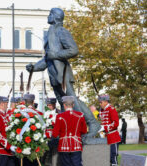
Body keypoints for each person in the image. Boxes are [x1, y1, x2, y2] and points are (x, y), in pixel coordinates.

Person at [26, 8, 100, 140]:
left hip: (63, 73)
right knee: (63, 101)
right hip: (54, 74)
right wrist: (34, 68)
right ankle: (69, 128)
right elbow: (48, 59)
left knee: (72, 100)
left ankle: (91, 123)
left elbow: (73, 50)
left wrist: (57, 54)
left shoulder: (61, 31)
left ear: (55, 17)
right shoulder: (50, 33)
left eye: (50, 14)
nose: (48, 16)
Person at [52, 96, 87, 166]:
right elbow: (84, 130)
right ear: (73, 105)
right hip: (76, 145)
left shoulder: (59, 116)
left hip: (64, 146)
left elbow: (54, 134)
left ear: (64, 105)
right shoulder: (80, 115)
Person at [20, 94, 43, 166]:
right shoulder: (38, 113)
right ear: (33, 102)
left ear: (24, 102)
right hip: (36, 147)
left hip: (25, 146)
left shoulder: (20, 114)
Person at [98, 94, 121, 166]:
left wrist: (105, 127)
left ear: (106, 101)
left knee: (113, 156)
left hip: (113, 136)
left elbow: (115, 123)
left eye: (101, 102)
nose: (100, 104)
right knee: (106, 157)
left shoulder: (111, 109)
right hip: (105, 137)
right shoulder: (102, 110)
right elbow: (102, 121)